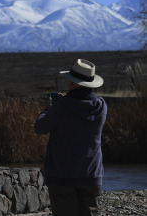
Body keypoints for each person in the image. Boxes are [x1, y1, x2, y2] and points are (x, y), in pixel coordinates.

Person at [34, 59, 107, 216]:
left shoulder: (61, 106)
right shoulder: (101, 106)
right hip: (91, 174)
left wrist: (49, 108)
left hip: (62, 175)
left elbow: (40, 127)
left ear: (73, 83)